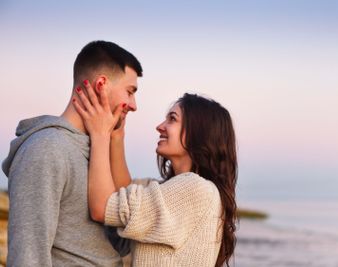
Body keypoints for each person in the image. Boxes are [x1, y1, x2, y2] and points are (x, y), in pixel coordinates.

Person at [2, 40, 142, 266]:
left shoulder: (98, 152)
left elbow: (123, 241)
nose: (134, 105)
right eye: (130, 91)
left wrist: (112, 139)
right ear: (102, 85)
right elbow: (28, 256)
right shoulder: (47, 148)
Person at [72, 81, 238, 267]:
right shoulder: (172, 190)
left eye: (172, 119)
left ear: (197, 132)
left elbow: (103, 207)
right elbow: (124, 192)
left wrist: (99, 134)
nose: (160, 126)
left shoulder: (196, 190)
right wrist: (116, 135)